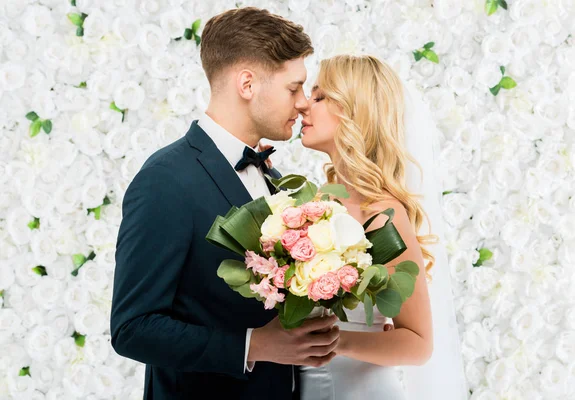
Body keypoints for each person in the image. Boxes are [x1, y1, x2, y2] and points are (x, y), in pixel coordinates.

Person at [109, 7, 340, 400]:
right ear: (247, 84)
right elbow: (133, 327)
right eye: (293, 87)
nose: (303, 103)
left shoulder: (275, 176)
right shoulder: (165, 179)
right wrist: (255, 345)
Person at [299, 54, 469, 399]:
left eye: (319, 97)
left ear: (353, 110)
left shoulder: (379, 213)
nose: (304, 106)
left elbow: (418, 344)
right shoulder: (315, 200)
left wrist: (338, 340)